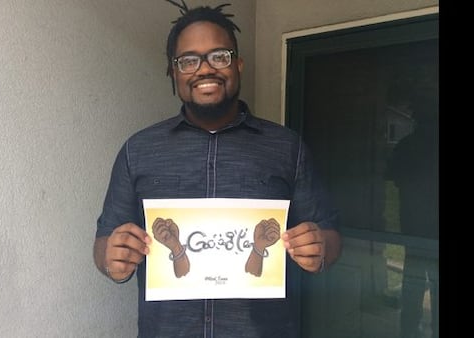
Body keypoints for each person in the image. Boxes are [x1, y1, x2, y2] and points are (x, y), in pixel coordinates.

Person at [93, 2, 341, 337]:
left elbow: (330, 233)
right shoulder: (138, 150)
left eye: (219, 56)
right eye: (189, 60)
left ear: (238, 64)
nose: (205, 69)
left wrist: (320, 248)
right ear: (174, 72)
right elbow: (104, 240)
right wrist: (112, 258)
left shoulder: (287, 147)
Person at [386, 88, 439, 338]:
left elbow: (393, 176)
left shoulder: (407, 146)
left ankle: (409, 329)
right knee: (427, 280)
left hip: (413, 224)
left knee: (414, 280)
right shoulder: (409, 147)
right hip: (422, 226)